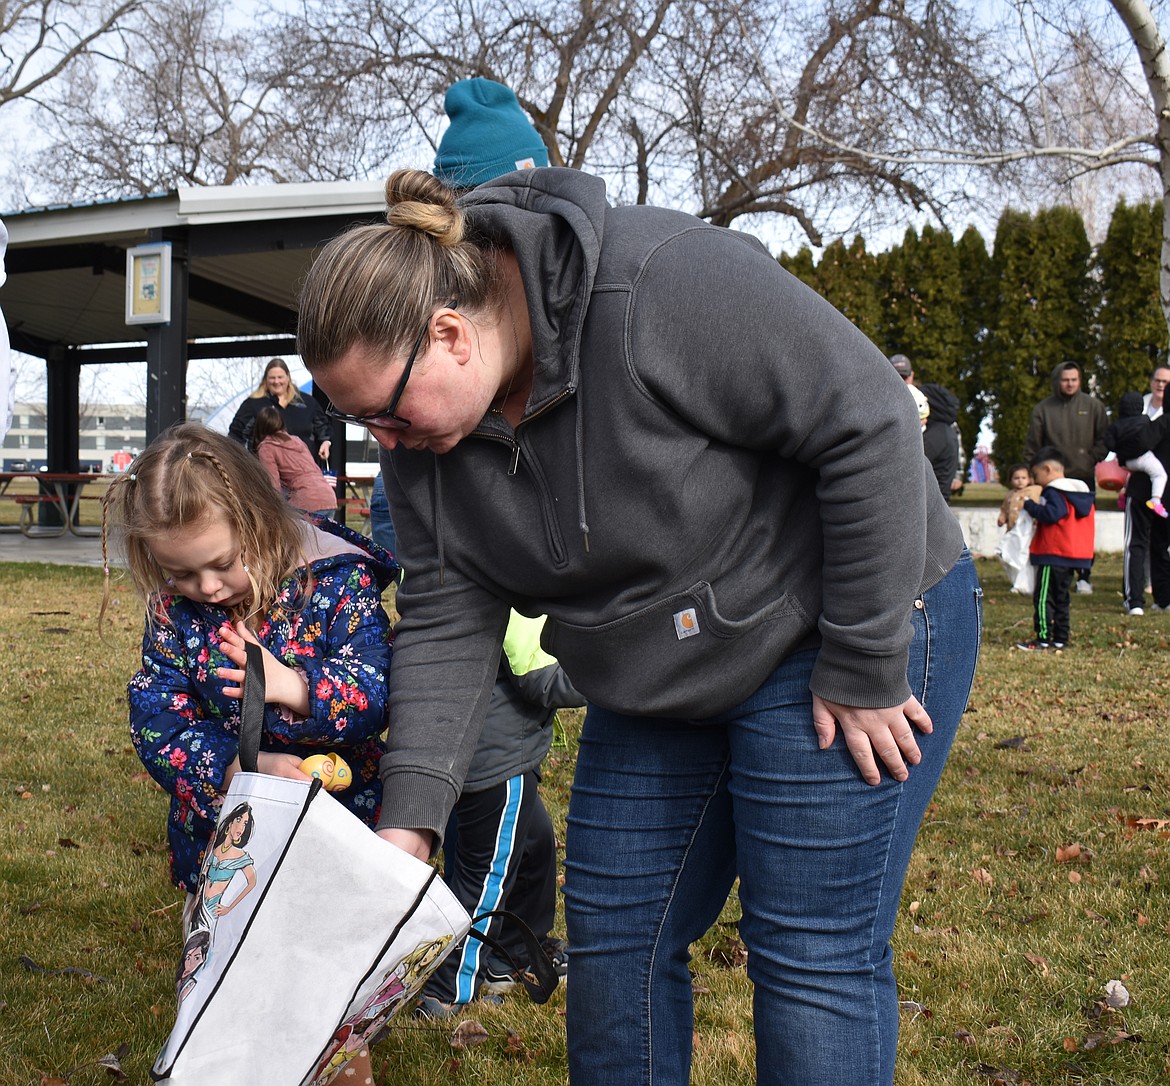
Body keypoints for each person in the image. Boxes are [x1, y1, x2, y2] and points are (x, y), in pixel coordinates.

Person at [295, 164, 980, 1086]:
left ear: (450, 333)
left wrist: (864, 660)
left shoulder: (659, 281)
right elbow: (448, 611)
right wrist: (412, 820)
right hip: (659, 658)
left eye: (386, 410)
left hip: (838, 608)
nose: (384, 439)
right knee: (618, 930)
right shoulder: (430, 451)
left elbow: (868, 422)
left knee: (807, 943)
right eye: (356, 421)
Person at [102, 422, 395, 896]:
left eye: (222, 563)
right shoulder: (175, 614)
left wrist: (294, 687)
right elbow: (159, 718)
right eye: (183, 573)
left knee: (330, 916)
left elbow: (376, 693)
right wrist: (237, 767)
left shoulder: (338, 583)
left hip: (345, 814)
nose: (209, 587)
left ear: (258, 519)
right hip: (223, 839)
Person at [417, 610, 585, 1019]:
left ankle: (511, 955)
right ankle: (445, 992)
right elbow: (540, 677)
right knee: (484, 879)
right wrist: (612, 677)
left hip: (461, 748)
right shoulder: (513, 585)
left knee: (534, 843)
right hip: (495, 761)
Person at [1023, 361, 1107, 593]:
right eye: (1065, 379)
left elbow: (1104, 439)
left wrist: (1090, 459)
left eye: (1074, 379)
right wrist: (1032, 474)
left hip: (1083, 479)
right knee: (1054, 528)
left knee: (1082, 528)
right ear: (1057, 380)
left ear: (1080, 381)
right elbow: (1033, 445)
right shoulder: (1043, 409)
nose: (1069, 384)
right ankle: (1058, 574)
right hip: (1053, 482)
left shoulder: (1093, 406)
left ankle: (1084, 576)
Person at [1015, 446, 1095, 651]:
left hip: (1054, 552)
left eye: (1036, 474)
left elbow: (1053, 514)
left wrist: (1030, 506)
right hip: (1074, 553)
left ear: (1048, 469)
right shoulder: (1080, 492)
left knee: (1043, 598)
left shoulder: (1054, 491)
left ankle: (1043, 638)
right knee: (1062, 598)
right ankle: (1061, 638)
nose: (1034, 480)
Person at [228, 358, 333, 468]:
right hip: (265, 471)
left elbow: (323, 429)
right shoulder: (252, 404)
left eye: (280, 377)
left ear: (288, 378)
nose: (276, 382)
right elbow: (235, 435)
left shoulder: (307, 403)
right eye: (272, 378)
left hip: (303, 469)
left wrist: (326, 442)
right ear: (266, 380)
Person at [253, 405, 338, 518]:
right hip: (329, 498)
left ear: (259, 426)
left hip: (306, 502)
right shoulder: (297, 441)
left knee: (297, 535)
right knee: (326, 536)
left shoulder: (267, 447)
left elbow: (273, 485)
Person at [1103, 392, 1169, 523]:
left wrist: (1121, 449)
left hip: (1125, 461)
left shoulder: (1116, 425)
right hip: (1142, 457)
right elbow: (1149, 439)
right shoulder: (1144, 420)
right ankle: (1156, 499)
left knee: (1131, 475)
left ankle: (1124, 493)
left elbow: (1109, 443)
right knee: (1159, 474)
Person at [997, 463, 1042, 531]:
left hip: (1028, 529)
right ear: (1010, 480)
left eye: (1023, 478)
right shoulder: (1009, 494)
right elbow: (1004, 509)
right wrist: (1002, 518)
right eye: (1016, 478)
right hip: (1012, 529)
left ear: (1029, 479)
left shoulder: (1034, 490)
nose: (1020, 480)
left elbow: (1037, 505)